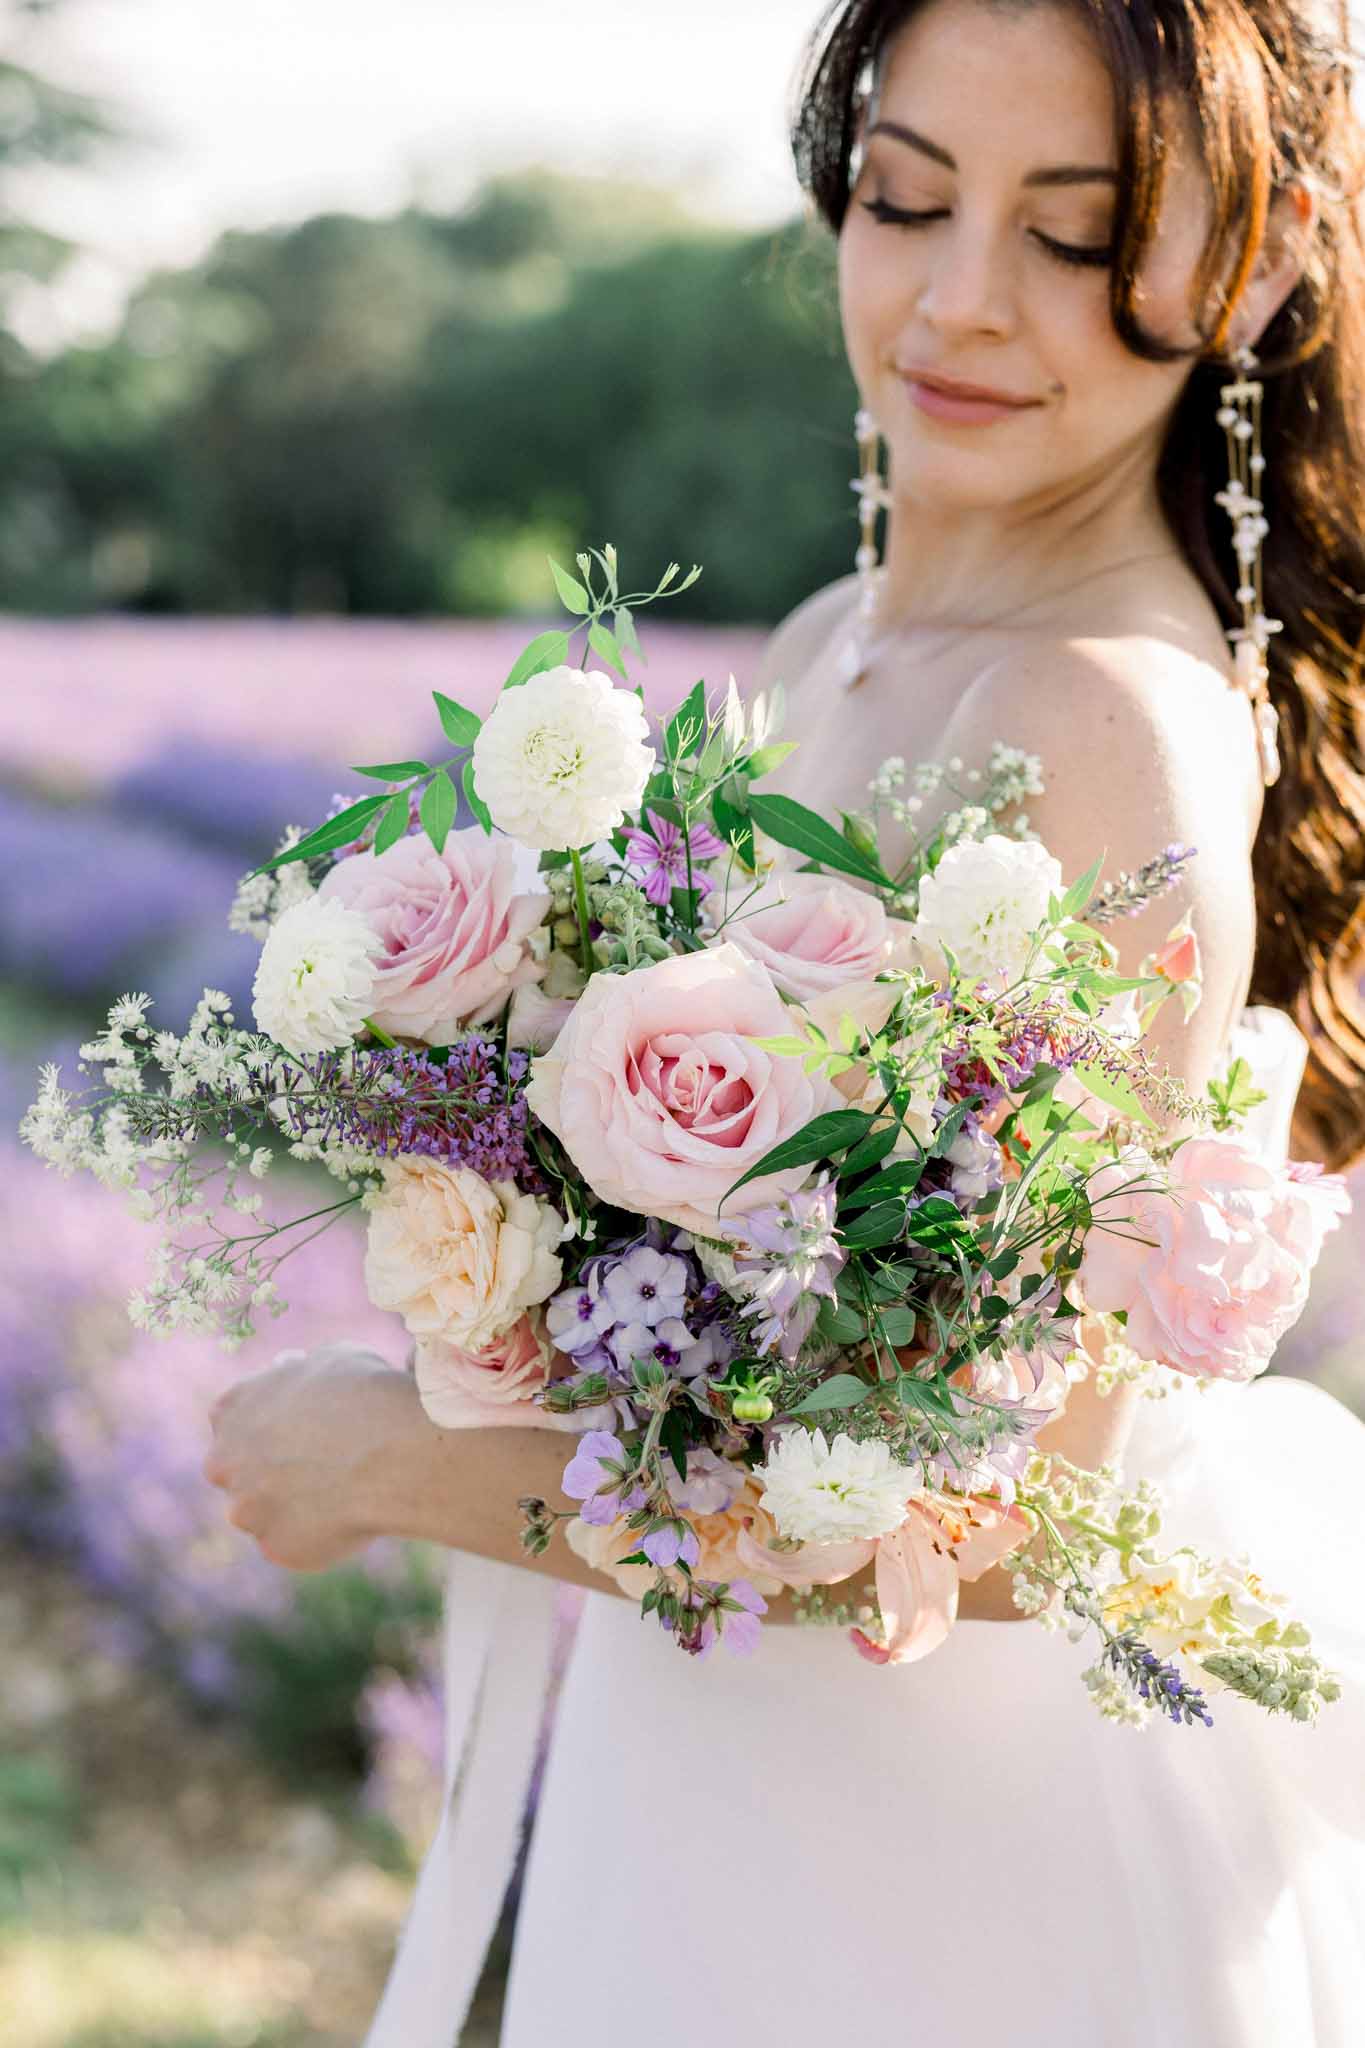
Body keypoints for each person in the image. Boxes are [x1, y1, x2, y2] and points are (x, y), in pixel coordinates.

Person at [204, 0, 1365, 2039]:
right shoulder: (846, 635)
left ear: (1254, 256)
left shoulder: (1096, 719)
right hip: (733, 1751)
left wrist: (393, 1457)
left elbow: (1005, 1521)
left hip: (949, 1864)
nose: (956, 301)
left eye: (1070, 234)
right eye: (903, 199)